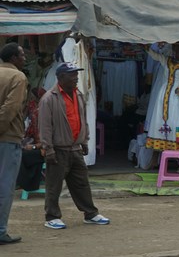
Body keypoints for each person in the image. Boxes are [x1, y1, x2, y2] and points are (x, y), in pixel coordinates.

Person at [39, 62, 110, 229]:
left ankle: (90, 213)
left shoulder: (78, 95)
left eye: (76, 75)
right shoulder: (49, 98)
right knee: (54, 185)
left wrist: (84, 140)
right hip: (57, 149)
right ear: (61, 77)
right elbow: (45, 126)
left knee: (81, 183)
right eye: (72, 75)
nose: (76, 78)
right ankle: (52, 216)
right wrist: (48, 149)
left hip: (75, 148)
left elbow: (82, 120)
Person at [0, 43, 28, 244]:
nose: (25, 59)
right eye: (22, 55)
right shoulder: (18, 77)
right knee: (5, 185)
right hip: (7, 137)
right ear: (13, 58)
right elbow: (11, 108)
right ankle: (0, 231)